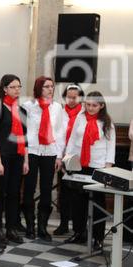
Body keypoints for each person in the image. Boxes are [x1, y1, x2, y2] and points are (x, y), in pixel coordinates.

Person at [64, 91, 115, 250]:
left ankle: (98, 237)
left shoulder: (106, 123)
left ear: (101, 105)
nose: (91, 108)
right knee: (78, 202)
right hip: (79, 165)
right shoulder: (80, 118)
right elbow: (72, 140)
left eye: (94, 105)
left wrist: (108, 166)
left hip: (98, 166)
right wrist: (68, 160)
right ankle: (79, 233)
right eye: (88, 105)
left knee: (98, 202)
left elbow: (111, 145)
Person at [21, 76, 65, 242]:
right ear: (39, 88)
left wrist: (59, 156)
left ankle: (42, 227)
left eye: (52, 86)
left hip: (50, 151)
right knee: (29, 189)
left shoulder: (57, 108)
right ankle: (30, 226)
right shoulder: (27, 106)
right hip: (32, 151)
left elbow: (60, 132)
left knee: (46, 190)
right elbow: (22, 133)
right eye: (46, 86)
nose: (50, 89)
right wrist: (24, 157)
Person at [0, 74, 29, 244]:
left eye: (19, 87)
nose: (17, 90)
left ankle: (11, 228)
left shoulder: (22, 111)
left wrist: (26, 160)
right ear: (5, 89)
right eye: (13, 87)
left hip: (18, 157)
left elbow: (25, 139)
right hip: (3, 157)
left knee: (14, 194)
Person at [54, 83, 84, 236]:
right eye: (68, 97)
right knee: (64, 192)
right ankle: (63, 224)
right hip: (63, 156)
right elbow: (58, 135)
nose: (71, 100)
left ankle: (79, 228)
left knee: (79, 194)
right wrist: (59, 156)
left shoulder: (85, 113)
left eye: (75, 97)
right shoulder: (60, 112)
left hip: (80, 158)